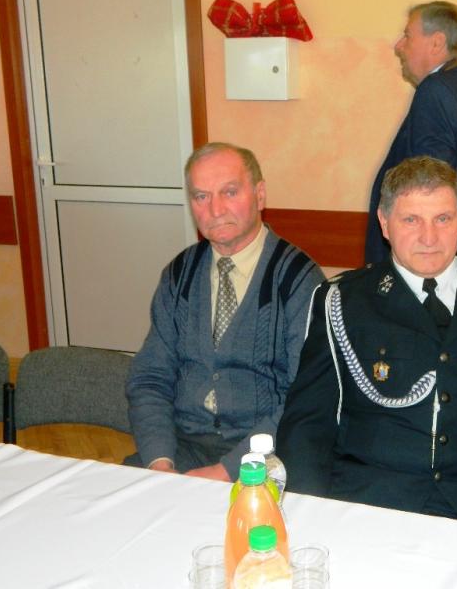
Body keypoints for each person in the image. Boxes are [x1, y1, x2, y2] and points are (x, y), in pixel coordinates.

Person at [277, 156, 457, 522]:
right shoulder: (345, 302)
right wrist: (306, 516)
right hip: (369, 505)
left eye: (442, 219)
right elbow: (308, 424)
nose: (429, 237)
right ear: (384, 224)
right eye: (411, 220)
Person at [125, 142, 324, 481]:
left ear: (260, 195)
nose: (215, 209)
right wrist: (160, 462)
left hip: (269, 454)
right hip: (181, 447)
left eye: (229, 192)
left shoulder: (299, 281)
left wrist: (226, 470)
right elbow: (149, 378)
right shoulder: (179, 275)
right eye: (201, 196)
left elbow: (305, 398)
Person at [364, 1, 457, 267]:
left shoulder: (434, 90)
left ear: (437, 42)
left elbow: (427, 189)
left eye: (408, 35)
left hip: (439, 258)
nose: (398, 46)